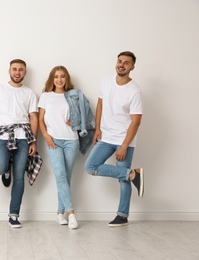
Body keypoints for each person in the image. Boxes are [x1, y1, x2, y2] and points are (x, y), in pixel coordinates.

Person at [84, 51, 144, 227]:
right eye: (119, 61)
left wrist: (124, 146)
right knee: (90, 166)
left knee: (122, 179)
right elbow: (101, 104)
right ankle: (133, 174)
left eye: (126, 63)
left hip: (124, 139)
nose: (121, 65)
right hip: (106, 136)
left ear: (132, 67)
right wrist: (97, 129)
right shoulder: (106, 81)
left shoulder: (135, 91)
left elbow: (136, 122)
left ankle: (122, 215)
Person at [0, 59, 42, 228]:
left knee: (19, 177)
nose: (17, 72)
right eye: (15, 69)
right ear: (9, 71)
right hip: (3, 135)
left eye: (21, 70)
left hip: (24, 136)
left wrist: (34, 141)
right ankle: (6, 170)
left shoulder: (30, 93)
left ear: (25, 73)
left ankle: (14, 214)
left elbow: (33, 117)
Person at [39, 65, 94, 229]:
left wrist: (76, 122)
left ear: (66, 78)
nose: (59, 79)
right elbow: (40, 120)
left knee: (66, 178)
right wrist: (46, 136)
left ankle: (59, 213)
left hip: (71, 140)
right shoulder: (45, 96)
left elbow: (86, 117)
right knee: (61, 176)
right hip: (53, 141)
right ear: (52, 79)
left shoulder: (74, 95)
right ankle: (71, 214)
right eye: (56, 76)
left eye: (62, 76)